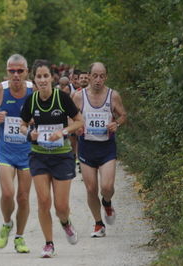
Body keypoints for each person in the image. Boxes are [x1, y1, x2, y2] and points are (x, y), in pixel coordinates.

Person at [20, 59, 84, 258]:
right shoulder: (31, 101)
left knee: (61, 207)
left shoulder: (62, 98)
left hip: (61, 157)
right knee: (43, 201)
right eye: (38, 76)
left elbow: (79, 121)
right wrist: (29, 132)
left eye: (46, 76)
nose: (42, 80)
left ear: (52, 78)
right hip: (39, 156)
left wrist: (63, 132)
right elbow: (22, 125)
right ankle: (48, 243)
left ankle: (65, 223)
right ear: (34, 80)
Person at [72, 62, 127, 238]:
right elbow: (70, 119)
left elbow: (123, 115)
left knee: (107, 186)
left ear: (106, 77)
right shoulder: (79, 97)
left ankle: (107, 202)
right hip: (87, 148)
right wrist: (77, 127)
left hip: (106, 149)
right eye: (95, 75)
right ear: (88, 76)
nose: (98, 80)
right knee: (90, 189)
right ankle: (98, 223)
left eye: (102, 76)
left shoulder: (113, 96)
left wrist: (116, 123)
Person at [0, 54, 34, 253]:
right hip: (6, 151)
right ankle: (7, 224)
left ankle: (20, 237)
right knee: (8, 193)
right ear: (7, 72)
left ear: (27, 72)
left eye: (20, 71)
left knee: (23, 198)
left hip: (28, 152)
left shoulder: (34, 91)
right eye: (12, 71)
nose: (15, 75)